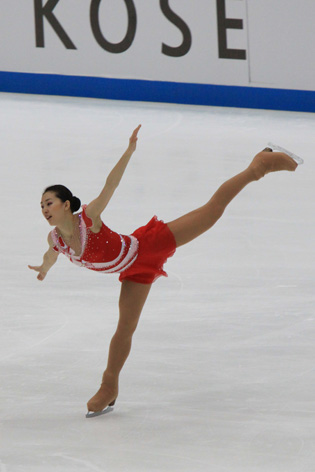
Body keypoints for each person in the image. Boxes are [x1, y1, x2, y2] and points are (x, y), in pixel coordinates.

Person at [29, 125, 300, 416]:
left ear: (66, 204)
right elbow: (51, 254)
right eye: (41, 205)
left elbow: (111, 185)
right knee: (125, 328)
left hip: (148, 247)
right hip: (133, 272)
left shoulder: (89, 219)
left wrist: (129, 151)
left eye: (49, 203)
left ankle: (259, 166)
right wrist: (44, 268)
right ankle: (109, 386)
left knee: (211, 211)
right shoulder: (55, 239)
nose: (44, 209)